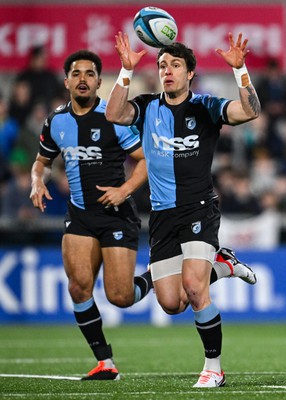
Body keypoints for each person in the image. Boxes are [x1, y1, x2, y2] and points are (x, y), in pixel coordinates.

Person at [106, 32, 260, 388]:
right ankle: (222, 266)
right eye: (162, 65)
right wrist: (126, 71)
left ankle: (214, 369)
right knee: (171, 303)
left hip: (198, 209)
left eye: (176, 65)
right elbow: (114, 113)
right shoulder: (146, 107)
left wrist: (240, 71)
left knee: (193, 288)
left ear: (190, 73)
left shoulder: (205, 106)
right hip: (162, 215)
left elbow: (250, 111)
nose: (167, 71)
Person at [29, 49, 153, 381]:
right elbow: (41, 161)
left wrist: (125, 190)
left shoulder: (114, 116)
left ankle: (156, 275)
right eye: (76, 73)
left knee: (120, 297)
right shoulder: (56, 121)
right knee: (78, 287)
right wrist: (36, 182)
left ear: (99, 81)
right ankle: (105, 363)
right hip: (80, 216)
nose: (82, 79)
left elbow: (145, 160)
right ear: (67, 80)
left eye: (89, 73)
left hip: (116, 214)